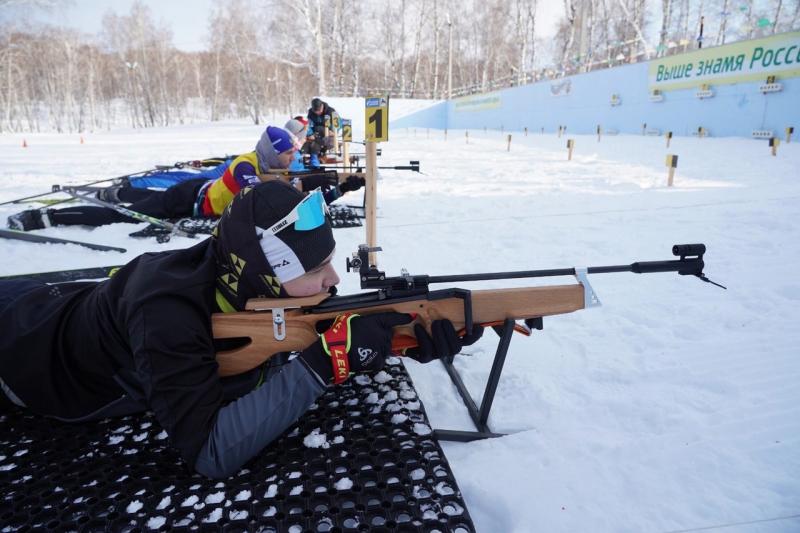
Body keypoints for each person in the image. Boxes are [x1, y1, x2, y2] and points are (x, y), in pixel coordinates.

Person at [0, 180, 483, 478]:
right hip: (20, 359)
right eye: (316, 271)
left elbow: (296, 329)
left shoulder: (240, 286)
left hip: (50, 305)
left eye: (331, 262)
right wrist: (324, 364)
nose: (333, 280)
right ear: (262, 274)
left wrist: (397, 337)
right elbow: (209, 452)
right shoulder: (166, 314)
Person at [6, 126, 301, 231]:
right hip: (189, 199)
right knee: (119, 218)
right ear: (273, 153)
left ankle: (121, 193)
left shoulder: (265, 164)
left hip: (193, 193)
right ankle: (44, 217)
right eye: (288, 154)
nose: (291, 159)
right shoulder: (246, 165)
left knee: (148, 200)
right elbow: (259, 192)